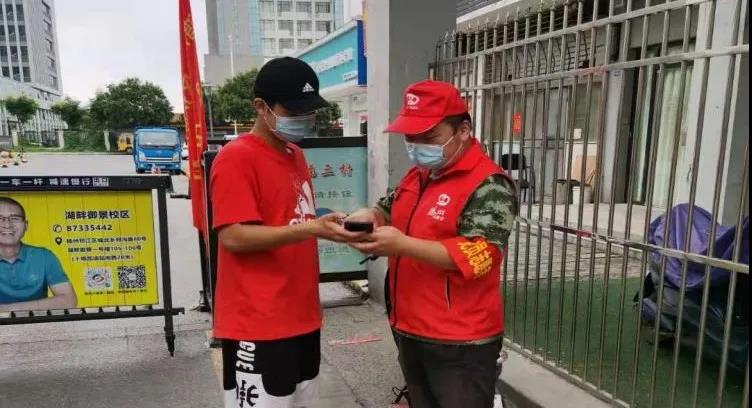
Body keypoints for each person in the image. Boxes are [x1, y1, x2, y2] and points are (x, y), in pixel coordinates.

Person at [345, 80, 518, 408]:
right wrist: (369, 217)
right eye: (411, 138)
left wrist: (402, 245)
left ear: (463, 130)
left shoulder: (488, 184)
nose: (416, 146)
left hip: (459, 340)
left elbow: (482, 254)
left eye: (429, 138)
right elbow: (388, 208)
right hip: (410, 327)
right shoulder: (419, 175)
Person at [210, 57, 362, 408]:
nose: (303, 119)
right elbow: (234, 236)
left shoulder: (295, 154)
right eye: (293, 111)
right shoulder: (237, 158)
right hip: (258, 320)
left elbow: (292, 220)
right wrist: (311, 228)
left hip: (302, 315)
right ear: (260, 107)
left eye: (308, 111)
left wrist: (324, 224)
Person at [0, 197, 77, 312]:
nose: (7, 224)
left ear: (26, 225)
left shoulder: (43, 256)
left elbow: (69, 300)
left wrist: (6, 309)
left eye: (14, 218)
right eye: (0, 218)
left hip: (38, 321)